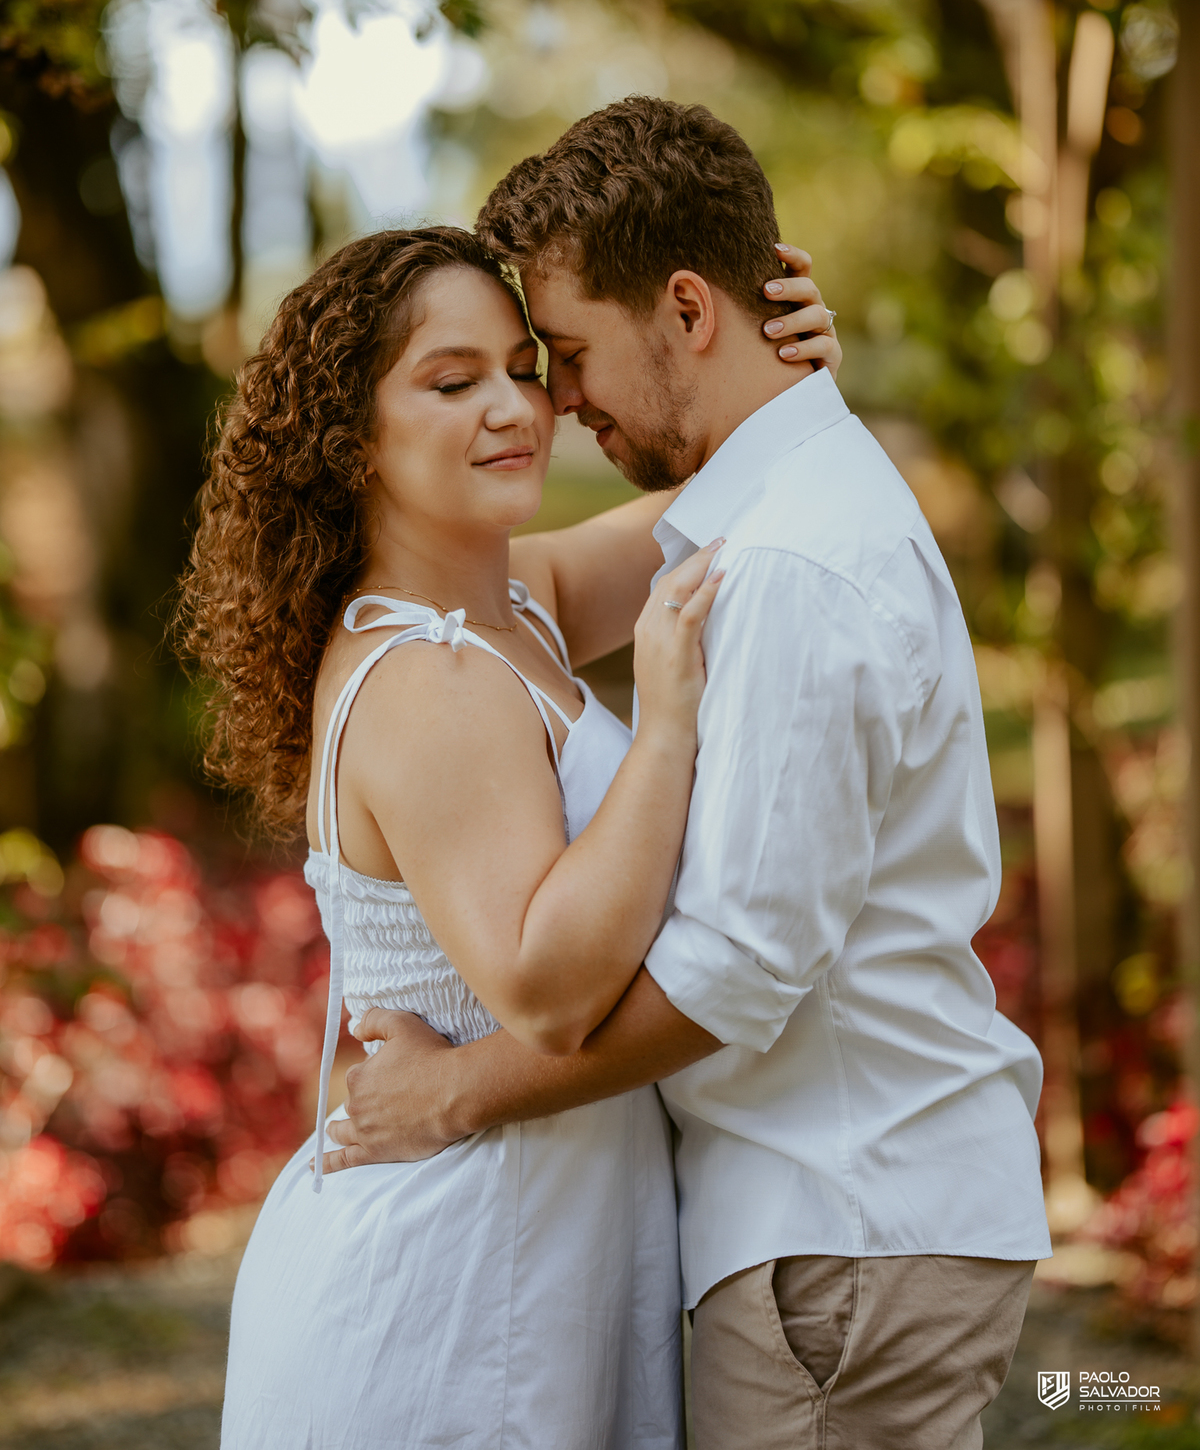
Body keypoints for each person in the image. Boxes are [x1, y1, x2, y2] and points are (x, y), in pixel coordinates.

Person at [323, 98, 1054, 1449]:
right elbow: (576, 554)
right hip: (822, 1221)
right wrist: (789, 395)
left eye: (567, 354)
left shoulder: (781, 566)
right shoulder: (765, 514)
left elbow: (737, 970)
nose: (554, 399)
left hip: (841, 1222)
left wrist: (450, 1091)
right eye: (475, 375)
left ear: (685, 309)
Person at [178, 223, 839, 1448]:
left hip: (529, 1247)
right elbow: (544, 984)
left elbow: (726, 504)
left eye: (523, 367)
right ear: (352, 440)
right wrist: (665, 731)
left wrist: (783, 378)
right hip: (452, 1290)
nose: (514, 408)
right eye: (451, 381)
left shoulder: (509, 603)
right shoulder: (431, 677)